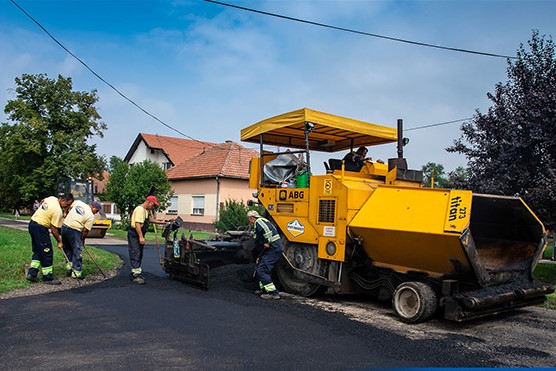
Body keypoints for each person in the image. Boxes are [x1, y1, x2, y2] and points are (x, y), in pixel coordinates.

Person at [26, 193, 74, 285]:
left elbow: (43, 200)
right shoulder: (57, 211)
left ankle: (32, 274)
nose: (67, 207)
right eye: (67, 205)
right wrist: (59, 241)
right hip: (40, 228)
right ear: (63, 200)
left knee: (38, 251)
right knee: (47, 252)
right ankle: (47, 277)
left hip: (32, 224)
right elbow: (54, 229)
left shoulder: (51, 198)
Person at [127, 195, 168, 285]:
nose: (152, 207)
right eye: (153, 205)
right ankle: (135, 275)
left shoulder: (145, 211)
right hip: (135, 234)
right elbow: (137, 224)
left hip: (139, 233)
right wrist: (141, 237)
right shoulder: (139, 210)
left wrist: (160, 222)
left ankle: (137, 271)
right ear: (149, 202)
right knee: (135, 252)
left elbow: (148, 220)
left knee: (140, 253)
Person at [247, 210, 284, 300]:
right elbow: (260, 244)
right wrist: (259, 257)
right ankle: (264, 289)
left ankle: (273, 293)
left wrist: (268, 241)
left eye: (249, 220)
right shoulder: (258, 224)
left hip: (273, 249)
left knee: (262, 270)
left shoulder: (259, 222)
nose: (249, 222)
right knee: (260, 266)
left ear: (252, 218)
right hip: (270, 250)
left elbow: (267, 231)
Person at [61, 200, 102, 279]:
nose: (96, 213)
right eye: (96, 211)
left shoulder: (79, 203)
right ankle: (76, 272)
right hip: (74, 230)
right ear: (93, 207)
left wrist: (66, 213)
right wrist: (82, 240)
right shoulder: (90, 216)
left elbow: (68, 204)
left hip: (64, 228)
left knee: (68, 249)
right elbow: (85, 230)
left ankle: (69, 268)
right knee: (77, 251)